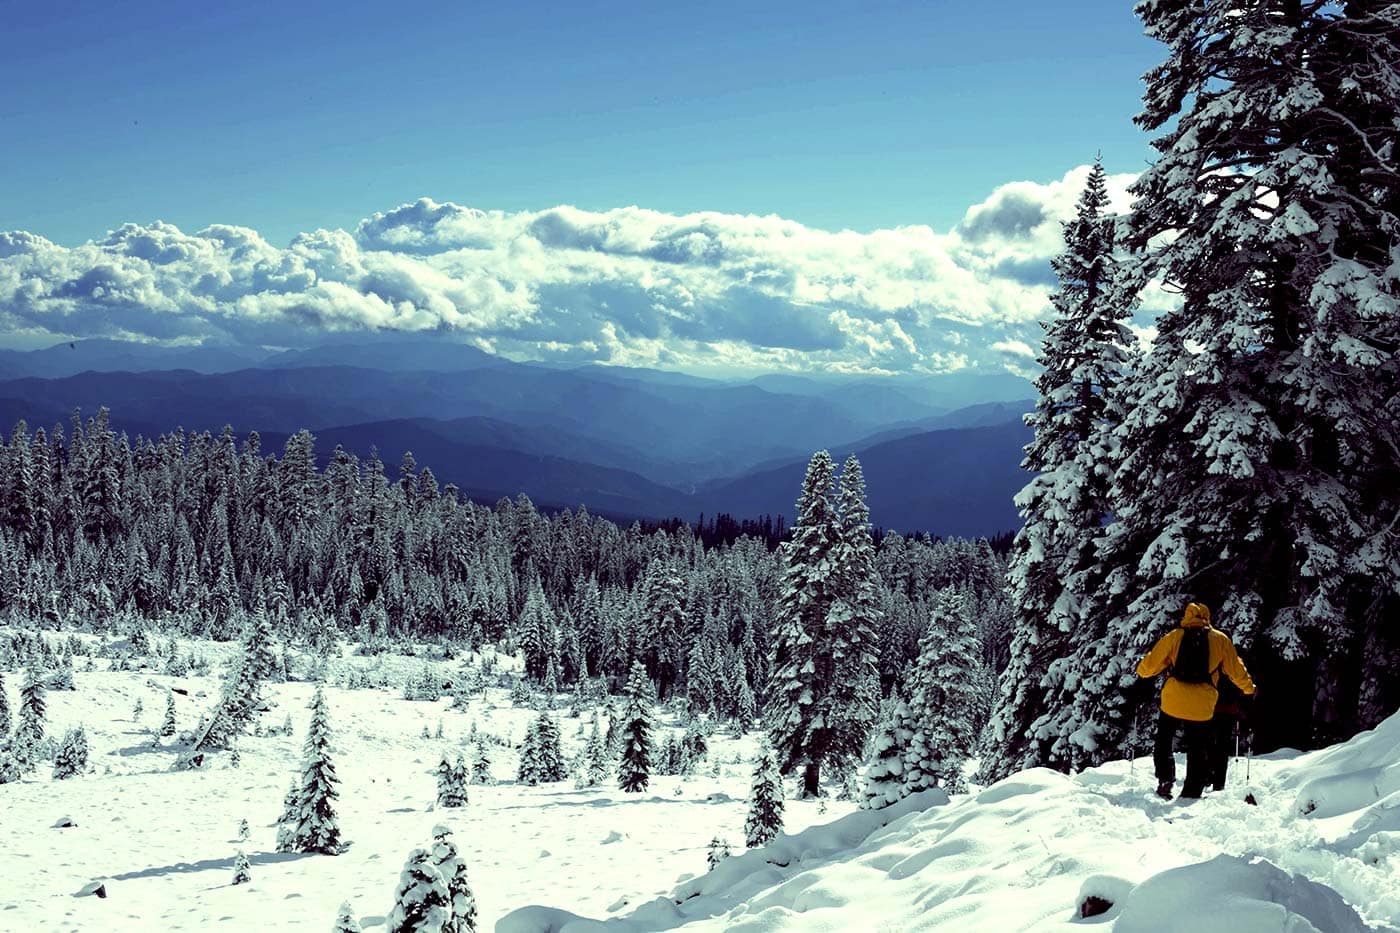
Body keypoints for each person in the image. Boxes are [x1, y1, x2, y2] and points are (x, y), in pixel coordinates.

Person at [1136, 602, 1255, 799]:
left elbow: (1149, 666)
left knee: (1164, 739)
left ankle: (1165, 778)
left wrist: (1141, 671)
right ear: (1207, 617)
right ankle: (1192, 790)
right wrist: (1249, 689)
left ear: (1187, 616)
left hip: (1173, 700)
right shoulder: (1220, 639)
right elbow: (1236, 670)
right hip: (1202, 703)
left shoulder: (1174, 636)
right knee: (1198, 747)